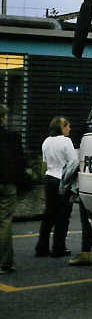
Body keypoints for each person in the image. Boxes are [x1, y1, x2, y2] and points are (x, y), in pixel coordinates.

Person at [35, 116, 77, 257]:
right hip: (62, 179)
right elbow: (73, 162)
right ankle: (58, 248)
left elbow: (45, 161)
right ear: (62, 127)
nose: (69, 128)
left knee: (49, 214)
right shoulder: (66, 141)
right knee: (63, 216)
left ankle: (42, 247)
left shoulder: (46, 141)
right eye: (67, 125)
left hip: (49, 178)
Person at [64, 162, 92, 266]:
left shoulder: (85, 152)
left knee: (87, 221)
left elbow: (75, 165)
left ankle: (85, 254)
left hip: (88, 186)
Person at [0, 105, 27, 274]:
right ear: (3, 118)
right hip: (7, 183)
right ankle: (5, 262)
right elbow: (20, 162)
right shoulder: (12, 137)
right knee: (5, 221)